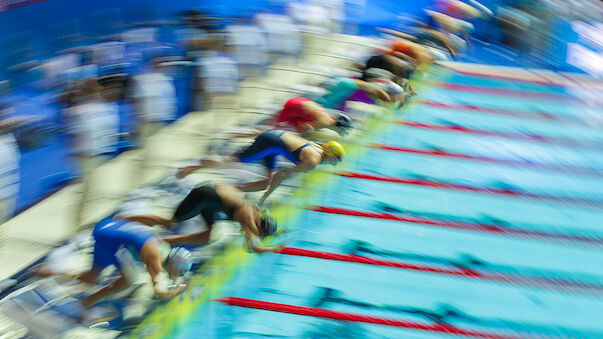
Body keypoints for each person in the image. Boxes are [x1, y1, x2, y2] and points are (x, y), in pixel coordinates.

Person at [32, 217, 193, 319]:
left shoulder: (163, 246)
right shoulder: (155, 260)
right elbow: (160, 293)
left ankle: (49, 271)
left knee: (92, 277)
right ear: (172, 266)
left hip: (109, 226)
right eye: (179, 273)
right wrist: (180, 289)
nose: (177, 276)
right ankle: (83, 303)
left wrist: (120, 220)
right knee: (128, 280)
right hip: (108, 238)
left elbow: (142, 222)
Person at [177, 130, 345, 203]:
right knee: (229, 161)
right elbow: (282, 173)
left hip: (275, 139)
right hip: (270, 143)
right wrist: (266, 196)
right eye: (335, 159)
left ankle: (227, 190)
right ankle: (189, 168)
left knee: (266, 181)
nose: (334, 163)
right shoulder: (313, 162)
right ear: (330, 154)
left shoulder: (317, 147)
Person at [119, 183, 282, 253]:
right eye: (262, 234)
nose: (260, 236)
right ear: (261, 227)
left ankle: (166, 241)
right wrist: (274, 248)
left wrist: (278, 232)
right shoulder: (249, 218)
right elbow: (253, 248)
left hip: (212, 201)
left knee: (206, 237)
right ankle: (123, 219)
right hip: (204, 196)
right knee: (170, 222)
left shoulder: (256, 213)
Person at [274, 97, 354, 135]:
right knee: (275, 128)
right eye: (343, 131)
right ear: (339, 127)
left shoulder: (330, 118)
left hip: (301, 101)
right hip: (293, 106)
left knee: (297, 124)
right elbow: (301, 128)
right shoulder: (324, 123)